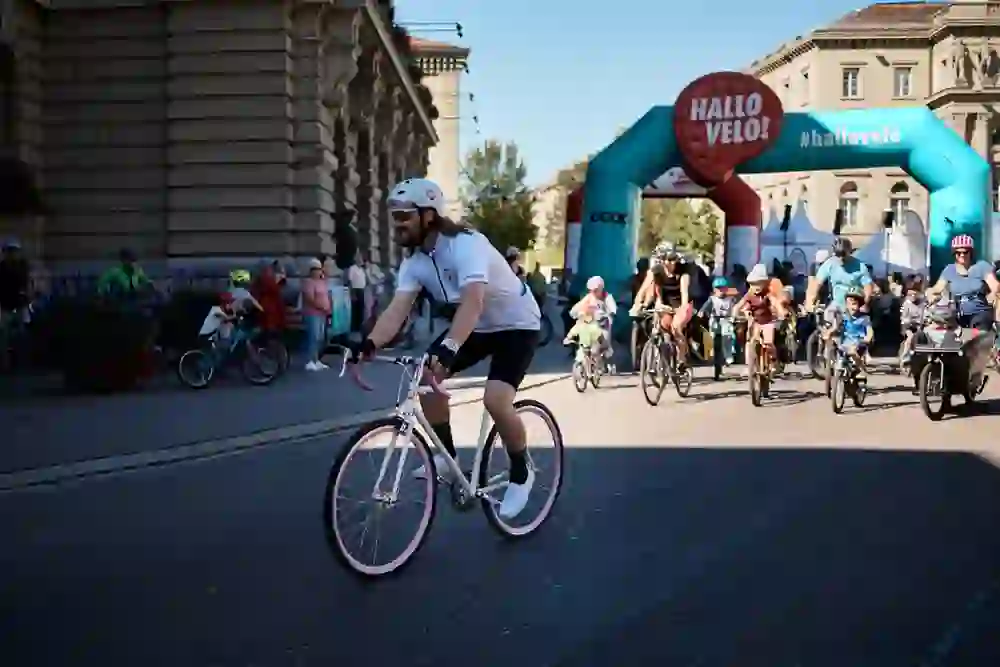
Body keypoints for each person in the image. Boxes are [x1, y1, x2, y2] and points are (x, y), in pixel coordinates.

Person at [349, 177, 541, 519]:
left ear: (429, 216)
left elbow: (473, 301)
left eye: (404, 216)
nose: (397, 224)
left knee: (496, 399)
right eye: (394, 217)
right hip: (477, 326)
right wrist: (368, 344)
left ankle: (521, 470)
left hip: (517, 323)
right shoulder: (415, 263)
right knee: (425, 376)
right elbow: (396, 310)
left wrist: (450, 346)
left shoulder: (466, 244)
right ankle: (448, 460)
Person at [924, 234, 1000, 330]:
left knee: (979, 332)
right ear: (954, 254)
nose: (962, 255)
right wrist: (930, 293)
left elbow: (995, 286)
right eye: (958, 253)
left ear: (971, 252)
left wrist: (992, 294)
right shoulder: (949, 269)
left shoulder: (981, 266)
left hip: (980, 312)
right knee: (936, 326)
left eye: (966, 252)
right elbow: (937, 288)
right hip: (957, 314)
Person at [804, 237, 873, 333]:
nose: (840, 258)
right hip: (837, 303)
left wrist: (864, 302)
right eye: (838, 255)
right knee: (827, 317)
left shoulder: (860, 266)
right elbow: (817, 282)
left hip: (854, 304)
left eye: (843, 255)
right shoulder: (830, 264)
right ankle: (829, 344)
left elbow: (868, 287)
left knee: (853, 328)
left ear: (850, 252)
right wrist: (811, 300)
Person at [637, 248, 693, 367]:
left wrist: (681, 309)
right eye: (668, 260)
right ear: (662, 261)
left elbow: (685, 294)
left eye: (674, 259)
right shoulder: (655, 271)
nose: (672, 263)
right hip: (665, 305)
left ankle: (681, 359)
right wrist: (637, 304)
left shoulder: (683, 273)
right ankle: (663, 359)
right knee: (662, 326)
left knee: (676, 327)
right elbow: (644, 289)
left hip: (682, 305)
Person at [734, 263, 787, 366]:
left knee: (768, 343)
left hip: (767, 321)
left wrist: (782, 312)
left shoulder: (767, 294)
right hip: (754, 321)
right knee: (750, 342)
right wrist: (735, 313)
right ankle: (749, 366)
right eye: (753, 284)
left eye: (759, 283)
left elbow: (775, 303)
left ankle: (773, 360)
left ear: (765, 283)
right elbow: (739, 305)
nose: (756, 287)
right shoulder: (749, 295)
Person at [570, 275, 616, 359]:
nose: (593, 293)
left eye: (595, 290)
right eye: (591, 290)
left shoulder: (607, 298)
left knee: (603, 342)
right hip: (589, 325)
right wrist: (576, 312)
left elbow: (612, 310)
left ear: (601, 288)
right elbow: (578, 307)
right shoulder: (589, 297)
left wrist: (606, 315)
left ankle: (604, 354)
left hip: (602, 326)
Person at [301, 258, 332, 371]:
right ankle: (310, 361)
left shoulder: (322, 282)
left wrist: (328, 308)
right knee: (313, 337)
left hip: (322, 314)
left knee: (319, 337)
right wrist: (321, 306)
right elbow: (309, 299)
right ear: (311, 271)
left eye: (320, 269)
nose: (319, 271)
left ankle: (316, 360)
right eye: (317, 269)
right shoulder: (308, 283)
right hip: (312, 313)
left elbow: (326, 295)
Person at [699, 276, 736, 366]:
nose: (720, 291)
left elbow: (736, 308)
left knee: (727, 335)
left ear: (726, 289)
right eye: (718, 289)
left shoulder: (731, 299)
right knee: (711, 333)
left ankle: (728, 356)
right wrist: (701, 311)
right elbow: (706, 306)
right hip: (714, 318)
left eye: (723, 288)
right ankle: (711, 351)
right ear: (714, 290)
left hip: (726, 319)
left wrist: (735, 315)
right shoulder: (712, 299)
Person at [839, 290, 874, 377]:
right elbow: (837, 328)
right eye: (849, 304)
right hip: (846, 343)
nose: (852, 307)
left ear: (859, 305)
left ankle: (861, 368)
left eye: (854, 304)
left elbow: (870, 331)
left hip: (859, 343)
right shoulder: (843, 317)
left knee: (853, 351)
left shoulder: (864, 318)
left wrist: (868, 338)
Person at [899, 281, 924, 364]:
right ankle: (905, 356)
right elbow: (903, 317)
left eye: (914, 294)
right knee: (911, 337)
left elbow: (926, 314)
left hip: (921, 325)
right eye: (910, 294)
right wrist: (910, 321)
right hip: (908, 326)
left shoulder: (922, 303)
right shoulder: (906, 304)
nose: (912, 296)